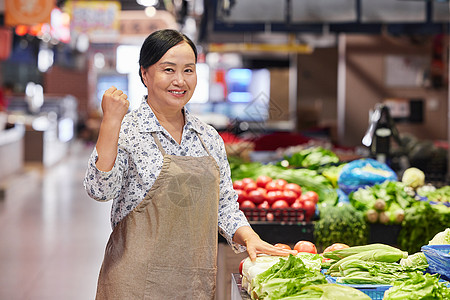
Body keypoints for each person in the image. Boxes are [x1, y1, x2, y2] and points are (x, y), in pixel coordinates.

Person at [84, 29, 296, 299]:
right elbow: (99, 190)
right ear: (144, 74)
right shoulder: (128, 131)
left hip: (192, 284)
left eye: (188, 70)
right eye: (168, 69)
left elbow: (224, 204)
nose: (179, 81)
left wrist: (249, 237)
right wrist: (110, 122)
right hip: (133, 283)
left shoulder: (207, 137)